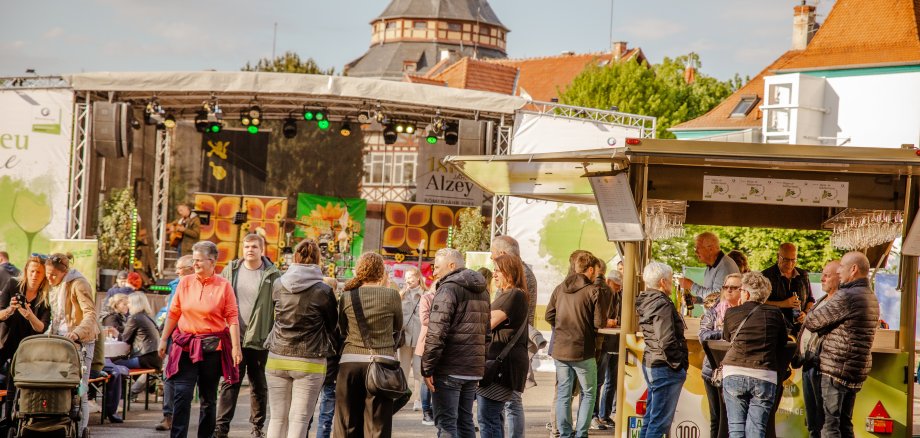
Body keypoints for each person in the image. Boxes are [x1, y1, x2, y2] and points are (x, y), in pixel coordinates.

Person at [158, 241, 242, 438]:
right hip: (186, 346)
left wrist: (236, 347)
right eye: (193, 260)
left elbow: (232, 317)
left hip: (212, 349)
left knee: (208, 399)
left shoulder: (224, 285)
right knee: (182, 395)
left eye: (198, 260)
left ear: (212, 261)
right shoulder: (185, 282)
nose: (194, 264)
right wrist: (163, 339)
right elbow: (174, 312)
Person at [264, 239, 337, 438]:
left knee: (277, 419)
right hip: (310, 360)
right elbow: (332, 325)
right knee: (299, 420)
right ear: (318, 260)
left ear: (295, 257)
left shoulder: (279, 284)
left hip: (277, 356)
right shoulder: (324, 291)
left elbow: (274, 315)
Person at [803, 252, 879, 438]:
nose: (839, 270)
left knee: (830, 426)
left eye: (842, 266)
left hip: (836, 368)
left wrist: (812, 317)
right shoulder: (869, 295)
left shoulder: (848, 295)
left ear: (853, 269)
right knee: (845, 424)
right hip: (853, 369)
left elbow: (812, 321)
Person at [215, 233, 281, 438]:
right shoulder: (231, 270)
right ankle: (221, 428)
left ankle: (257, 427)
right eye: (246, 246)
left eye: (254, 247)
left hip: (260, 340)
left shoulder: (272, 274)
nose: (249, 250)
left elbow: (278, 308)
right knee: (229, 383)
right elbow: (219, 301)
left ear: (262, 250)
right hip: (233, 338)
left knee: (258, 385)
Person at [422, 248, 489, 438]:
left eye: (437, 267)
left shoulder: (448, 288)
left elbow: (436, 333)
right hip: (471, 369)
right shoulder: (483, 290)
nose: (434, 272)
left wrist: (427, 368)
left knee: (447, 424)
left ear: (452, 266)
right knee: (465, 421)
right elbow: (487, 334)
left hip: (449, 369)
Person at [334, 252, 403, 438]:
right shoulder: (392, 295)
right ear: (381, 271)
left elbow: (342, 329)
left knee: (346, 423)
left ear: (359, 270)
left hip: (350, 363)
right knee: (377, 426)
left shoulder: (347, 296)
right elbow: (398, 326)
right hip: (382, 364)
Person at [545, 251, 605, 438]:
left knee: (564, 392)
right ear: (589, 269)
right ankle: (581, 433)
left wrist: (562, 328)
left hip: (561, 349)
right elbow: (599, 323)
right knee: (588, 393)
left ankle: (564, 433)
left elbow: (549, 315)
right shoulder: (593, 291)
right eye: (595, 270)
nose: (596, 274)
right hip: (583, 351)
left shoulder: (559, 288)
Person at [721, 271, 788, 438]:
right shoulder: (775, 314)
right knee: (757, 430)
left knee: (736, 429)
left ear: (747, 293)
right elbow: (782, 342)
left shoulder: (731, 313)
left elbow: (727, 338)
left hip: (734, 371)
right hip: (764, 374)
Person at [45, 253, 99, 436]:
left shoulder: (79, 283)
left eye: (53, 274)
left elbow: (90, 314)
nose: (49, 277)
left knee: (80, 389)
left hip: (80, 342)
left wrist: (76, 333)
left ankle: (82, 431)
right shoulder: (57, 285)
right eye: (48, 273)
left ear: (64, 271)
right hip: (60, 341)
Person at [490, 235, 538, 438]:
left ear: (502, 254)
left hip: (511, 344)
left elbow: (494, 319)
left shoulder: (517, 284)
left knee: (511, 400)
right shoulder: (525, 274)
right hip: (515, 342)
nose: (492, 262)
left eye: (493, 256)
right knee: (509, 400)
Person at [477, 254, 529, 438]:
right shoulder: (512, 294)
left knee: (488, 417)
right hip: (502, 365)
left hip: (501, 367)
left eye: (498, 271)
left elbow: (485, 324)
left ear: (510, 272)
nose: (495, 275)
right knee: (492, 417)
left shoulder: (513, 295)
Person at [636, 261, 687, 438]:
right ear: (663, 282)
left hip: (654, 361)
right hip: (664, 365)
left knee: (652, 418)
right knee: (659, 422)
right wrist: (678, 363)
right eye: (671, 279)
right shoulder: (661, 303)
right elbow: (666, 339)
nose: (672, 283)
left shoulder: (648, 299)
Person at [0, 253, 51, 431]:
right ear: (26, 271)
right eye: (32, 271)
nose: (34, 275)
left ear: (44, 275)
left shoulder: (45, 296)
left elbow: (41, 327)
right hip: (4, 342)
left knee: (13, 387)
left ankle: (9, 424)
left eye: (39, 272)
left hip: (27, 348)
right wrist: (10, 310)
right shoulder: (13, 284)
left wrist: (29, 314)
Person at [798, 260, 840, 438]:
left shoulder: (841, 301)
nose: (821, 278)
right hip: (810, 363)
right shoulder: (824, 299)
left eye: (827, 275)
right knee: (813, 419)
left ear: (840, 277)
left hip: (823, 366)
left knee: (824, 420)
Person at [699, 273, 743, 438]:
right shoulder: (714, 311)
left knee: (734, 421)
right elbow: (703, 336)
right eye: (726, 287)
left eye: (734, 287)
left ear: (743, 290)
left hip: (738, 371)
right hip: (713, 371)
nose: (729, 290)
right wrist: (724, 332)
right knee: (716, 418)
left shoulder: (747, 312)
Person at [155, 255, 194, 432]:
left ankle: (175, 417)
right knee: (169, 377)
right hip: (174, 340)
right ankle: (168, 416)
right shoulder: (176, 286)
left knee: (181, 379)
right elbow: (172, 315)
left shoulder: (195, 285)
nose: (177, 271)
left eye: (180, 267)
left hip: (191, 338)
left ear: (191, 269)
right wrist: (164, 339)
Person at [763, 243, 815, 335]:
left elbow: (810, 299)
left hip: (799, 329)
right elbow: (759, 302)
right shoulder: (766, 276)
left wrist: (806, 313)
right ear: (778, 256)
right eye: (786, 260)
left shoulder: (803, 275)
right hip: (774, 329)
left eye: (793, 260)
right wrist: (783, 304)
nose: (790, 264)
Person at [595, 269, 623, 428]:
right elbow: (599, 319)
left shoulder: (617, 294)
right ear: (609, 281)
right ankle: (595, 415)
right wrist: (609, 321)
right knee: (599, 381)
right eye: (617, 285)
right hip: (604, 343)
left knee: (611, 381)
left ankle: (604, 415)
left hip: (614, 342)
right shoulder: (603, 293)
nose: (619, 288)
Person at [679, 232, 740, 299]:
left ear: (710, 249)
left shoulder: (725, 266)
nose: (696, 252)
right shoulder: (710, 266)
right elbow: (709, 297)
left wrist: (692, 286)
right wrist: (696, 300)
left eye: (698, 248)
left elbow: (718, 297)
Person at [398, 266, 425, 413]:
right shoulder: (401, 295)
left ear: (418, 278)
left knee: (418, 370)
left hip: (420, 337)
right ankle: (402, 395)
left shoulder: (425, 294)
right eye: (407, 277)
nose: (409, 280)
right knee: (403, 368)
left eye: (411, 277)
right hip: (405, 337)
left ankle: (417, 399)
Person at [414, 278, 437, 426]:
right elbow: (424, 319)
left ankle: (435, 410)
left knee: (437, 378)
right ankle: (426, 411)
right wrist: (444, 319)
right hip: (426, 344)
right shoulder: (426, 298)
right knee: (425, 377)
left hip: (441, 344)